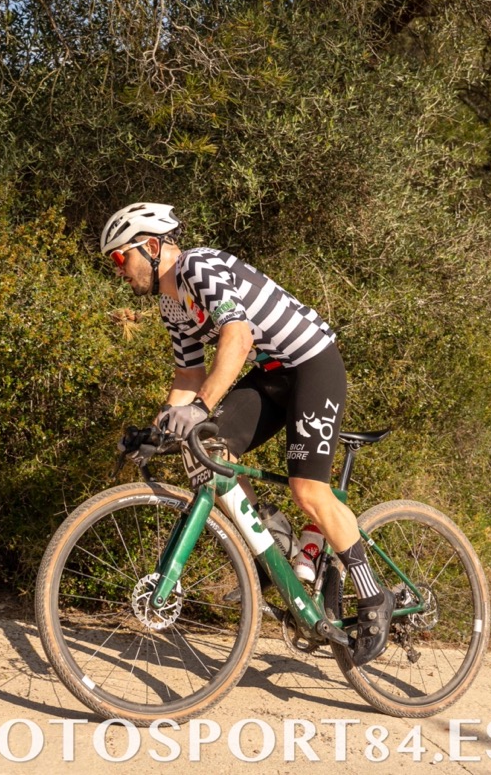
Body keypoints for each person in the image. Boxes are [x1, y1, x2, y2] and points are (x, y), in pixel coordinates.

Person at [100, 201, 394, 665]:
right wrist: (156, 430)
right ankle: (281, 551)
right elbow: (188, 376)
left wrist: (199, 408)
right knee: (206, 450)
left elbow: (238, 338)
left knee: (308, 490)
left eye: (120, 257)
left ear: (152, 247)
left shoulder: (198, 267)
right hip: (271, 377)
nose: (118, 270)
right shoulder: (171, 303)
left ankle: (375, 595)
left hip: (311, 364)